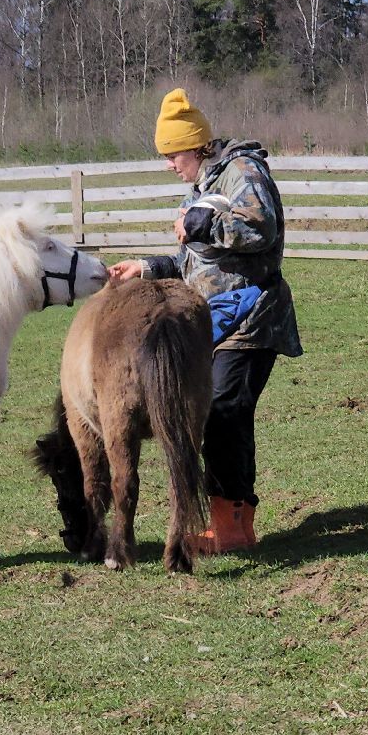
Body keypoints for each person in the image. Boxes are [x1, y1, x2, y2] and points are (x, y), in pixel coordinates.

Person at [108, 89, 301, 554]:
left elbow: (262, 228)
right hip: (218, 323)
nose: (169, 164)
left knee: (223, 413)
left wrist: (200, 225)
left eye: (172, 154)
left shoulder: (242, 172)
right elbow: (192, 263)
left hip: (253, 316)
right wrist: (146, 267)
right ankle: (234, 523)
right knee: (222, 416)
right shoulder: (203, 186)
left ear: (194, 146)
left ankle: (230, 528)